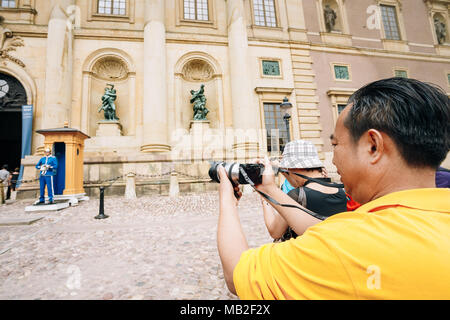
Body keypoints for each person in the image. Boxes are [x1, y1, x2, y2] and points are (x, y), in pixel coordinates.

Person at [217, 77, 450, 299]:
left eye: (336, 144)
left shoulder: (348, 246)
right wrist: (268, 189)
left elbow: (236, 274)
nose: (334, 161)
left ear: (373, 146)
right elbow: (323, 228)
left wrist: (227, 197)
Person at [261, 140, 347, 241]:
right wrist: (284, 171)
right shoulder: (341, 190)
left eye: (287, 169)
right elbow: (295, 179)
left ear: (296, 167)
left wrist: (264, 196)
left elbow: (274, 231)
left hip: (305, 254)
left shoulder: (297, 195)